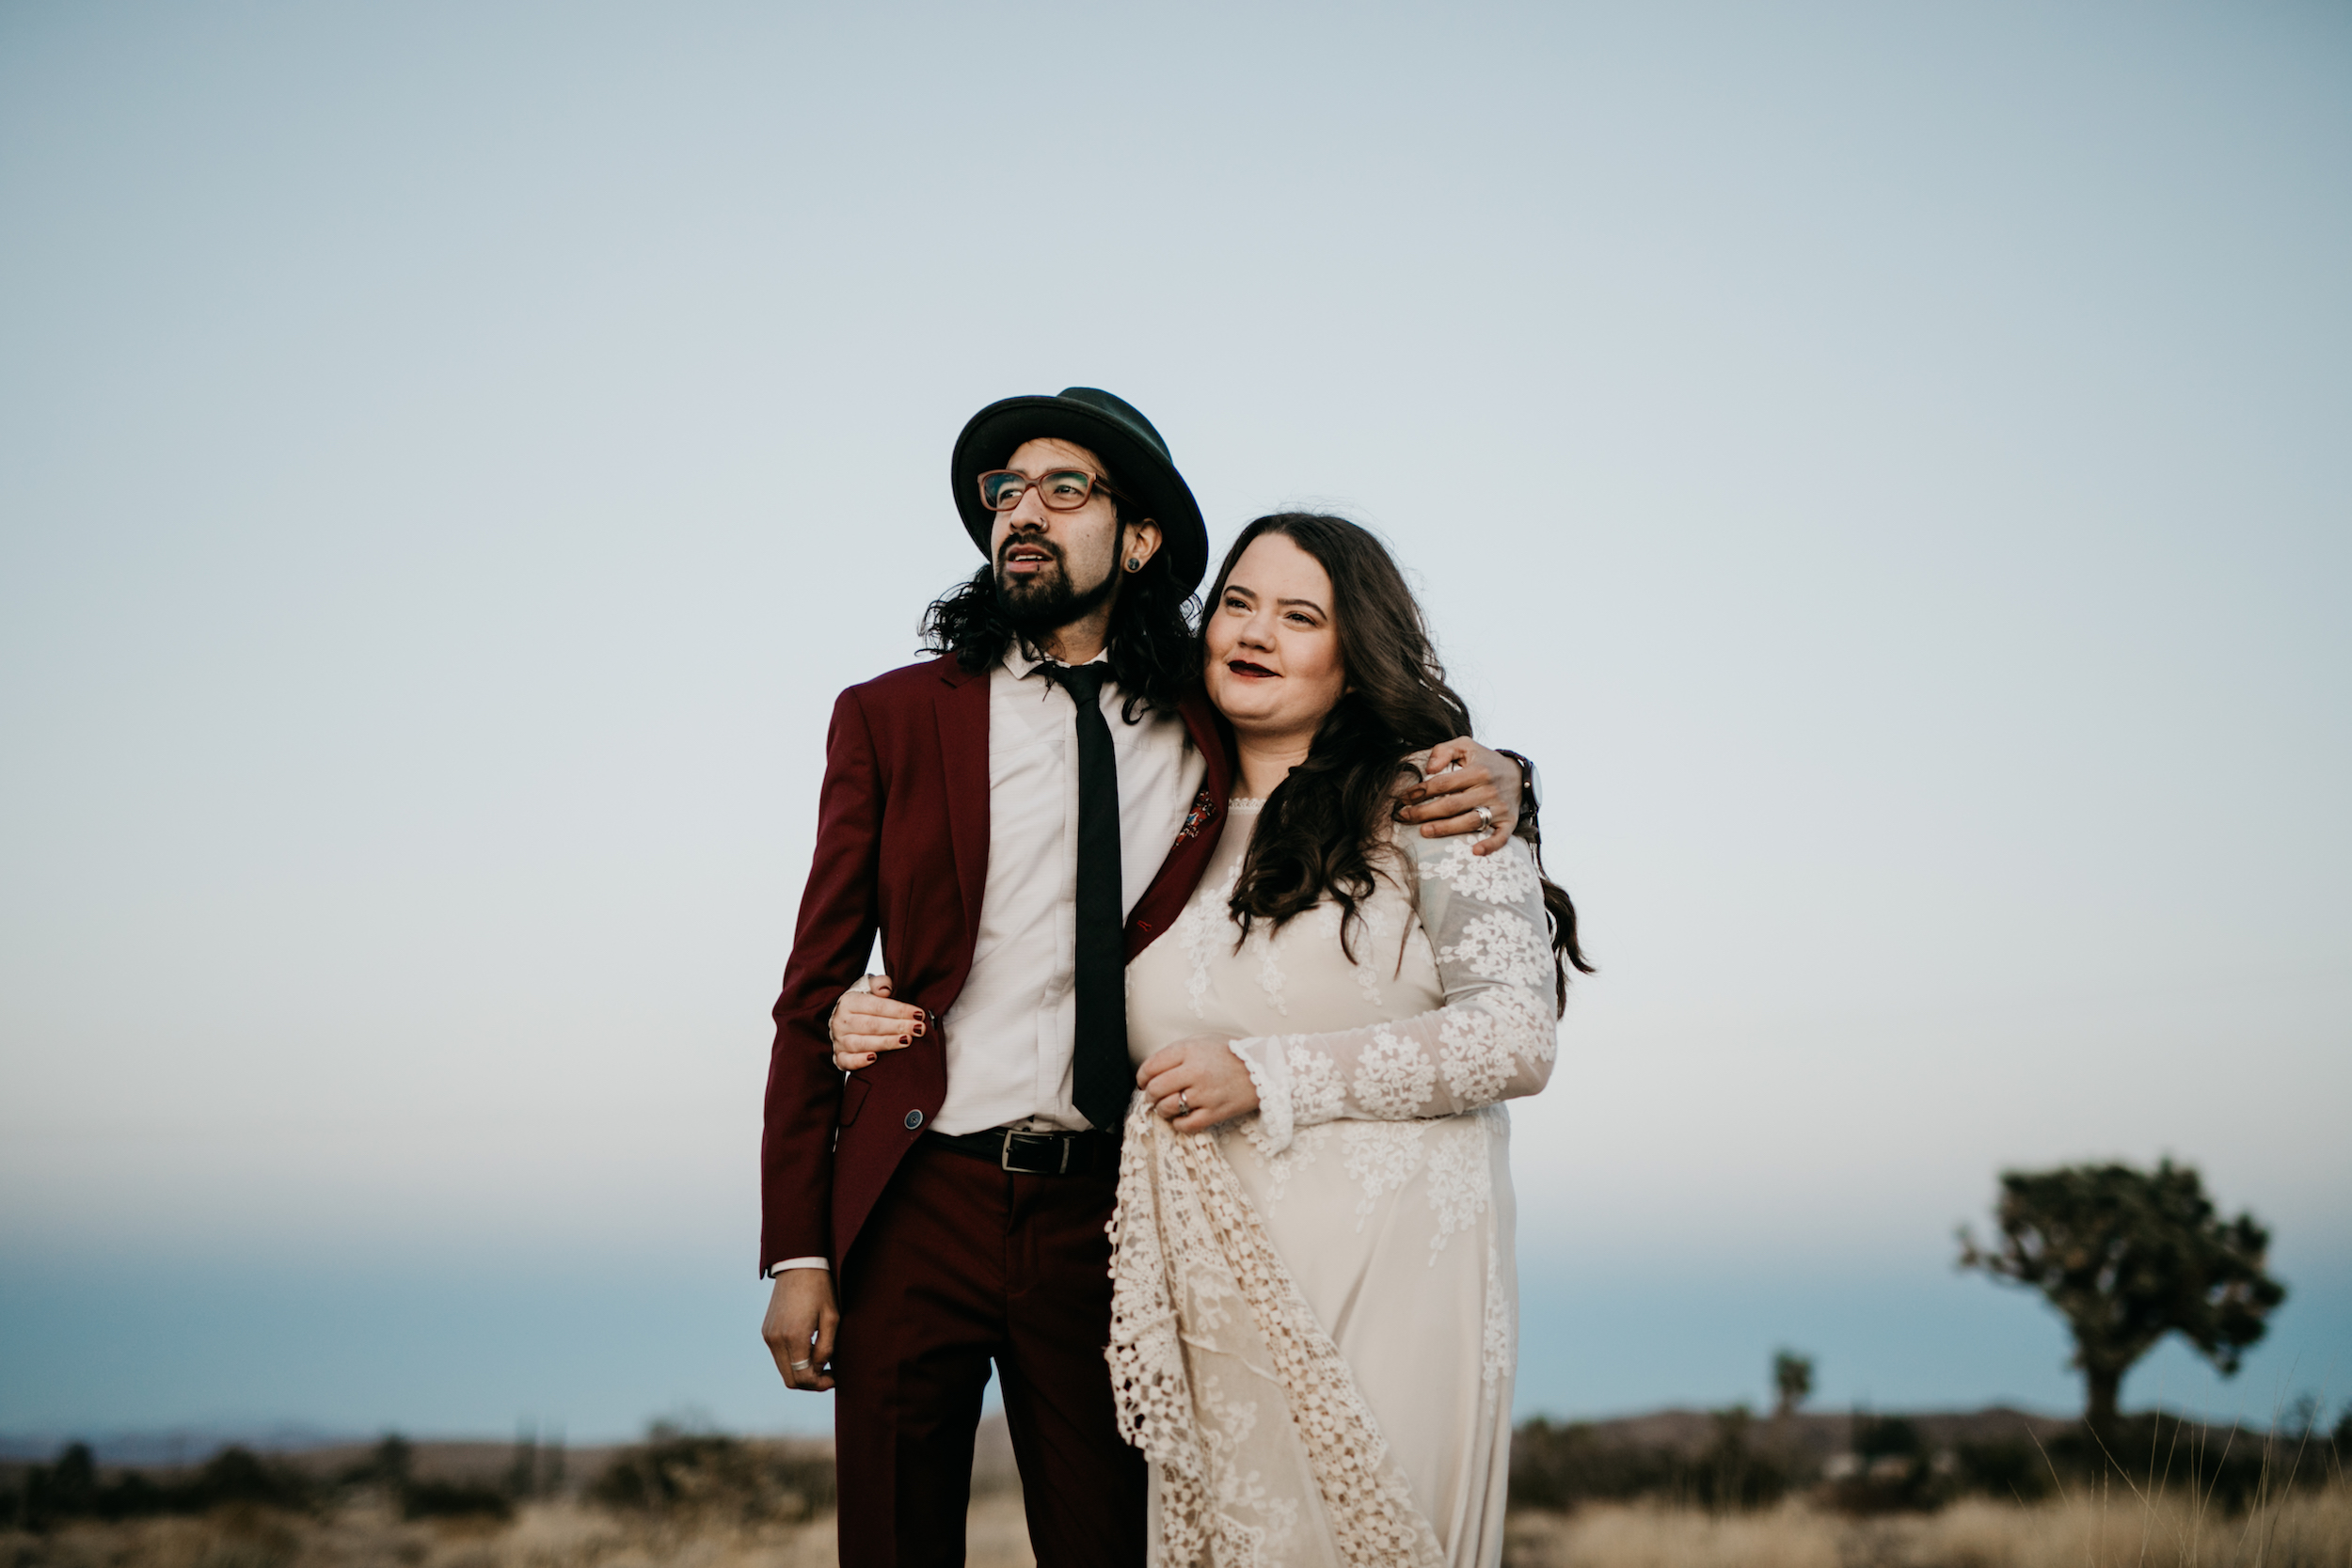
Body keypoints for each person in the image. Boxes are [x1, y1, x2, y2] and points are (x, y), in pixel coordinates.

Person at [759, 388, 1531, 1568]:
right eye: (1002, 491)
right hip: (918, 1193)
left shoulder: (1200, 712)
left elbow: (1350, 748)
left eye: (1063, 488)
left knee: (1123, 1538)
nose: (1024, 510)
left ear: (1138, 538)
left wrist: (1511, 773)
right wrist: (798, 1247)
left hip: (1106, 1211)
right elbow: (808, 994)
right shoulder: (891, 717)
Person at [1106, 513, 1588, 1567]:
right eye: (1237, 601)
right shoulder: (1154, 816)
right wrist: (855, 1004)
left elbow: (1517, 1035)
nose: (1255, 630)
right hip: (1210, 1284)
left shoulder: (1438, 797)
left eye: (1299, 614)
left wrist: (1262, 1072)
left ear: (1353, 650)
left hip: (1397, 1263)